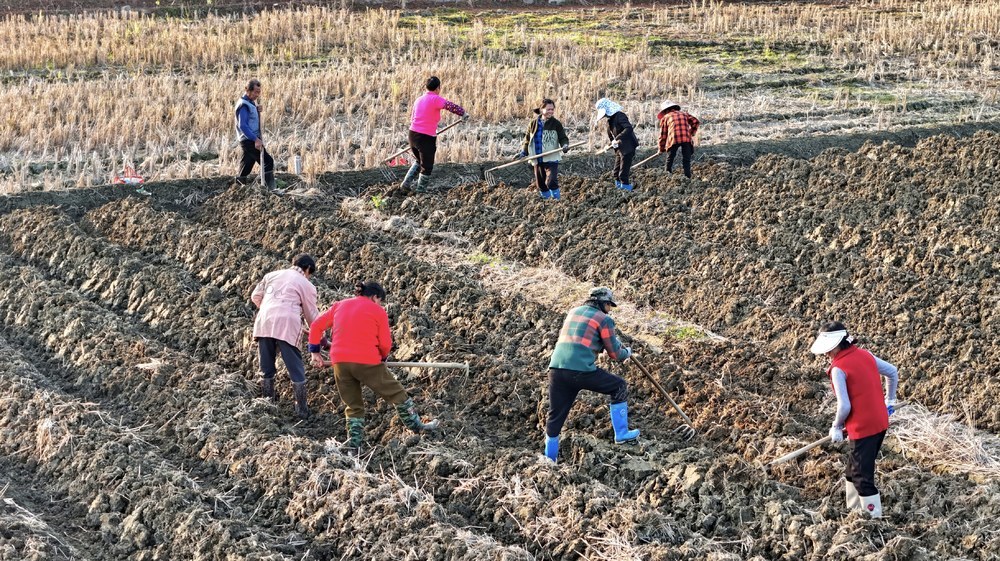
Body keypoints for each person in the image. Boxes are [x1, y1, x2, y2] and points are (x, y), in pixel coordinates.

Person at [308, 281, 439, 448]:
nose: (380, 304)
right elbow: (385, 343)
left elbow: (316, 326)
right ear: (375, 297)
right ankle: (417, 427)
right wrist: (383, 358)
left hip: (340, 362)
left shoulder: (339, 305)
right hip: (367, 361)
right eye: (380, 301)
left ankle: (353, 445)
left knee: (353, 405)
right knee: (398, 394)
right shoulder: (378, 311)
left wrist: (315, 352)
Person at [810, 321, 899, 518]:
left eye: (829, 349)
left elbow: (844, 406)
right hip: (880, 422)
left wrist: (836, 426)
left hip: (864, 429)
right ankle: (854, 511)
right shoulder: (865, 355)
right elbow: (892, 372)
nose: (826, 354)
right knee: (852, 470)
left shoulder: (838, 369)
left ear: (838, 344)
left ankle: (872, 518)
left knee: (861, 477)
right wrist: (890, 400)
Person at [544, 287, 638, 463]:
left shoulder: (573, 312)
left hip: (556, 369)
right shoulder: (604, 319)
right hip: (580, 371)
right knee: (618, 386)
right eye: (609, 305)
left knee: (555, 416)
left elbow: (581, 337)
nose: (610, 309)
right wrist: (627, 352)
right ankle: (622, 434)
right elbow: (615, 354)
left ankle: (549, 460)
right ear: (603, 303)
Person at [250, 254, 320, 419]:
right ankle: (301, 410)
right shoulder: (306, 284)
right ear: (307, 269)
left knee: (266, 366)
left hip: (265, 320)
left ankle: (267, 403)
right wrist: (318, 332)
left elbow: (255, 296)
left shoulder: (271, 275)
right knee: (295, 367)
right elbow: (311, 314)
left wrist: (270, 308)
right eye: (310, 274)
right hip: (287, 324)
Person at [400, 76, 468, 194]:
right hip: (425, 137)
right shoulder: (435, 99)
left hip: (412, 134)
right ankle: (421, 192)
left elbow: (412, 117)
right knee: (427, 166)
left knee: (419, 160)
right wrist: (463, 113)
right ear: (438, 88)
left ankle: (406, 184)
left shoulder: (418, 100)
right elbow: (450, 106)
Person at [519, 98, 570, 200]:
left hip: (551, 158)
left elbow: (563, 138)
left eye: (552, 109)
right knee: (541, 184)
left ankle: (557, 202)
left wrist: (565, 146)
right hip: (537, 158)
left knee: (551, 182)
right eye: (548, 109)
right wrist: (523, 152)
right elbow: (527, 140)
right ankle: (547, 203)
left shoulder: (556, 124)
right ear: (541, 110)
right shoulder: (533, 124)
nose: (551, 111)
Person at [235, 79, 275, 190]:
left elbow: (250, 117)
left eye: (259, 92)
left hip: (249, 139)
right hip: (249, 140)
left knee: (246, 165)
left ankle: (238, 188)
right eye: (256, 92)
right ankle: (269, 190)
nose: (257, 95)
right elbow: (243, 125)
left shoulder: (249, 103)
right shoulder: (243, 105)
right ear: (248, 90)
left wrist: (256, 110)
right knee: (268, 161)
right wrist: (255, 139)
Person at [593, 98, 639, 192]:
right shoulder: (610, 121)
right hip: (619, 149)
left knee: (623, 172)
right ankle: (618, 189)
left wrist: (617, 139)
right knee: (616, 172)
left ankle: (626, 188)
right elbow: (612, 136)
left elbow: (628, 128)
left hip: (627, 147)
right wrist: (610, 144)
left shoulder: (620, 116)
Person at [657, 100, 700, 179]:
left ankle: (667, 176)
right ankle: (688, 178)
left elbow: (663, 135)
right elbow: (696, 122)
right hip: (686, 139)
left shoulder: (666, 117)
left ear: (665, 111)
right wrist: (691, 133)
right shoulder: (684, 114)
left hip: (673, 139)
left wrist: (661, 149)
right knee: (686, 160)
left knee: (670, 159)